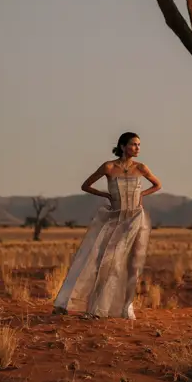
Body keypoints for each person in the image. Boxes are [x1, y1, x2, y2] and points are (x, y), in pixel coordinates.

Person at [51, 132, 160, 319]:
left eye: (139, 145)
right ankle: (96, 307)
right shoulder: (109, 167)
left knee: (131, 265)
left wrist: (142, 195)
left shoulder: (141, 168)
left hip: (135, 218)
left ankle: (125, 307)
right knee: (106, 261)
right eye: (134, 144)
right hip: (115, 218)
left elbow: (157, 185)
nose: (137, 148)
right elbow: (86, 185)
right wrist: (106, 195)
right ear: (123, 146)